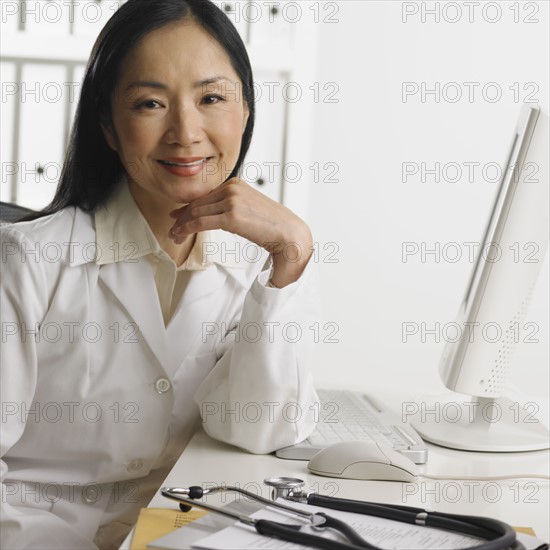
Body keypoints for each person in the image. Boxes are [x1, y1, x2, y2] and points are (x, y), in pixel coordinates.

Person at [0, 0, 319, 547]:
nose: (186, 133)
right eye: (150, 103)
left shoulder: (248, 264)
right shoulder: (28, 261)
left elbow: (256, 430)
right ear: (108, 124)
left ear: (245, 111)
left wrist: (289, 261)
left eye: (212, 98)